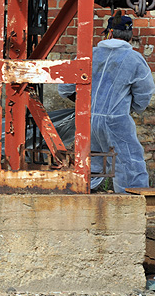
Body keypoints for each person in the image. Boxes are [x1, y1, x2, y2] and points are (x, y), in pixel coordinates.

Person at [59, 12, 155, 193]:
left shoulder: (88, 55)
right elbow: (144, 95)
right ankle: (131, 207)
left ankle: (82, 199)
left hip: (87, 120)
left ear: (109, 33)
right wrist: (129, 108)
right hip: (117, 121)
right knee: (129, 164)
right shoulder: (134, 59)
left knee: (91, 164)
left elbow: (64, 89)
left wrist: (85, 103)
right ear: (131, 35)